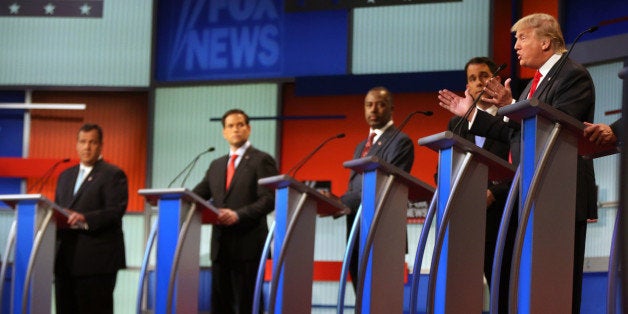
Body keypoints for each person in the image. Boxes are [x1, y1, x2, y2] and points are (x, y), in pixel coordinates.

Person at [438, 13, 596, 313]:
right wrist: (471, 114)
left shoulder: (572, 75)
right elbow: (514, 132)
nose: (516, 46)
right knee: (533, 290)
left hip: (560, 196)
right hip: (535, 197)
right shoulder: (533, 86)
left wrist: (511, 107)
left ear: (546, 41)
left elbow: (555, 130)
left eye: (522, 38)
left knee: (559, 291)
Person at [192, 109, 278, 314]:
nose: (235, 129)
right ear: (224, 132)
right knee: (220, 305)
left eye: (240, 124)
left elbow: (269, 199)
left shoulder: (261, 160)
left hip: (248, 245)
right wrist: (178, 199)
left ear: (248, 129)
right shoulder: (216, 165)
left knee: (248, 305)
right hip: (221, 247)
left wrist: (238, 215)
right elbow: (198, 195)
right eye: (230, 126)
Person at [446, 57, 513, 306]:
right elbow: (442, 170)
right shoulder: (457, 123)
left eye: (484, 75)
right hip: (465, 220)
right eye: (472, 79)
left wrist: (494, 192)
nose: (478, 83)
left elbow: (522, 165)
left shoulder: (511, 119)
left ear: (495, 78)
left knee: (503, 290)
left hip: (503, 217)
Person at [338, 86, 414, 292]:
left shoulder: (401, 141)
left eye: (380, 105)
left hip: (383, 230)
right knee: (360, 295)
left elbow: (385, 187)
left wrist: (340, 202)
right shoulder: (361, 145)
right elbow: (355, 186)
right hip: (356, 226)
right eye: (369, 105)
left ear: (391, 108)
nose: (374, 110)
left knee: (380, 296)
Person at [54, 123, 128, 314]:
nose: (87, 147)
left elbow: (115, 211)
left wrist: (84, 218)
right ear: (76, 145)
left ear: (101, 145)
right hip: (65, 261)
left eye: (92, 142)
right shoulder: (64, 176)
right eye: (83, 142)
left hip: (97, 262)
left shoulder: (113, 174)